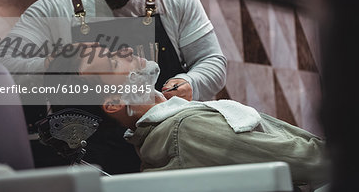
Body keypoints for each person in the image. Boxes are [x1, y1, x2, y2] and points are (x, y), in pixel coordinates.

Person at [0, 0, 226, 173]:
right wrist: (61, 63)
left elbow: (213, 61)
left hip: (172, 161)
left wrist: (190, 82)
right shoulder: (54, 9)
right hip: (94, 170)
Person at [44, 46, 329, 189]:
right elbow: (316, 163)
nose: (128, 49)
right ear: (114, 102)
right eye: (115, 59)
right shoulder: (186, 131)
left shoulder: (171, 131)